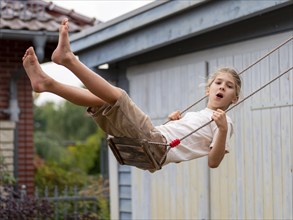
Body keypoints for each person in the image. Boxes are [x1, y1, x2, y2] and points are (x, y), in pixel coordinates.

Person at [22, 18, 241, 170]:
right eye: (218, 82)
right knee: (103, 101)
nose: (222, 87)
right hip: (153, 141)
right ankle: (47, 84)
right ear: (207, 90)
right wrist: (172, 122)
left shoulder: (225, 123)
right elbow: (186, 144)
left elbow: (213, 162)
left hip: (156, 146)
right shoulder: (199, 115)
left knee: (119, 96)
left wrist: (221, 130)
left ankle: (69, 60)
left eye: (229, 86)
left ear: (235, 98)